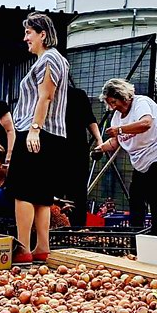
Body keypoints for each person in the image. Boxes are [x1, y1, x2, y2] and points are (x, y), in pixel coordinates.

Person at [7, 12, 69, 264]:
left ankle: (23, 248)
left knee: (22, 192)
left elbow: (46, 96)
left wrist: (34, 128)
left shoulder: (49, 59)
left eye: (29, 33)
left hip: (38, 133)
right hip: (51, 134)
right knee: (41, 195)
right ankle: (42, 247)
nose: (25, 38)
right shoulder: (59, 60)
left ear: (43, 34)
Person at [94, 79, 157, 237]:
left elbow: (145, 123)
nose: (112, 107)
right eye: (109, 104)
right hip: (142, 159)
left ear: (123, 96)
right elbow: (115, 141)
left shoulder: (141, 103)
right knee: (136, 196)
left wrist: (119, 130)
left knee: (156, 196)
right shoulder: (117, 118)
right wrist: (100, 148)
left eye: (113, 101)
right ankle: (136, 236)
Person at [64, 84, 103, 227]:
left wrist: (98, 139)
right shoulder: (45, 95)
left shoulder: (78, 95)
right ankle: (56, 227)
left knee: (78, 191)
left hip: (77, 149)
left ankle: (77, 229)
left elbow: (90, 119)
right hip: (55, 149)